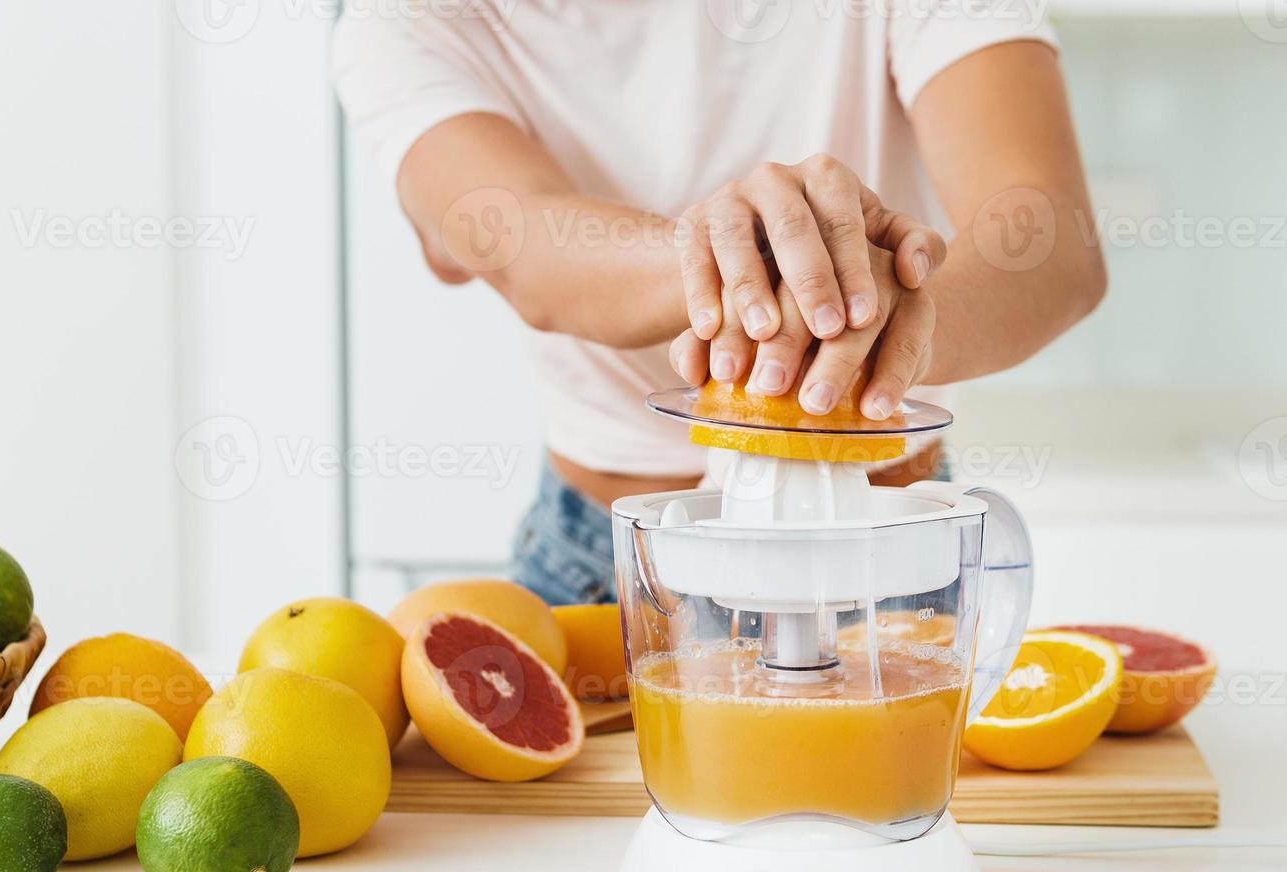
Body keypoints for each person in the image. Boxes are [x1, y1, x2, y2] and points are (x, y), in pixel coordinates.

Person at [332, 1, 1105, 605]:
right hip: (600, 571)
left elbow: (1048, 240)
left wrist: (897, 334)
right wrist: (751, 259)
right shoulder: (404, 20)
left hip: (888, 544)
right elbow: (524, 246)